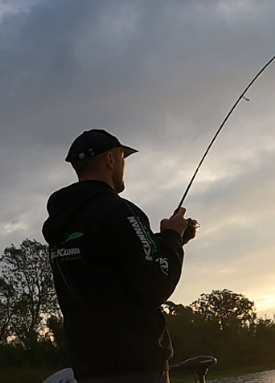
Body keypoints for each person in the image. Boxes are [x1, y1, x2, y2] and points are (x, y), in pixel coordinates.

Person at [42, 129, 195, 383]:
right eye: (123, 157)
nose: (124, 166)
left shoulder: (62, 223)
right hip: (137, 368)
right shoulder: (120, 211)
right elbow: (157, 283)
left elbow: (105, 265)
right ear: (110, 160)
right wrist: (172, 239)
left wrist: (168, 240)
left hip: (88, 369)